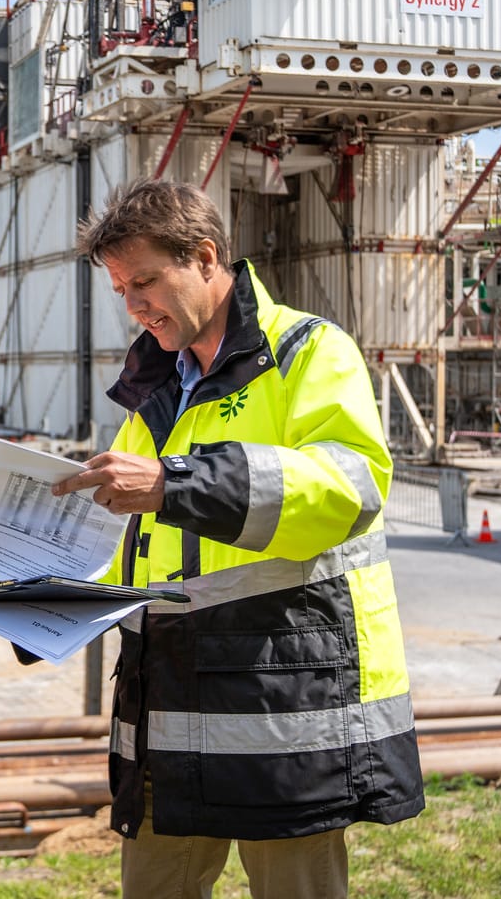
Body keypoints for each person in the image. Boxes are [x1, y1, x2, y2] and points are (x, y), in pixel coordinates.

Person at [50, 179, 425, 899]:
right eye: (122, 288)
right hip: (169, 708)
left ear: (206, 256)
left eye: (147, 282)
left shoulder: (309, 352)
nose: (133, 306)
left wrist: (176, 482)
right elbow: (135, 548)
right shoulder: (155, 392)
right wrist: (37, 594)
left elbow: (348, 489)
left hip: (284, 710)